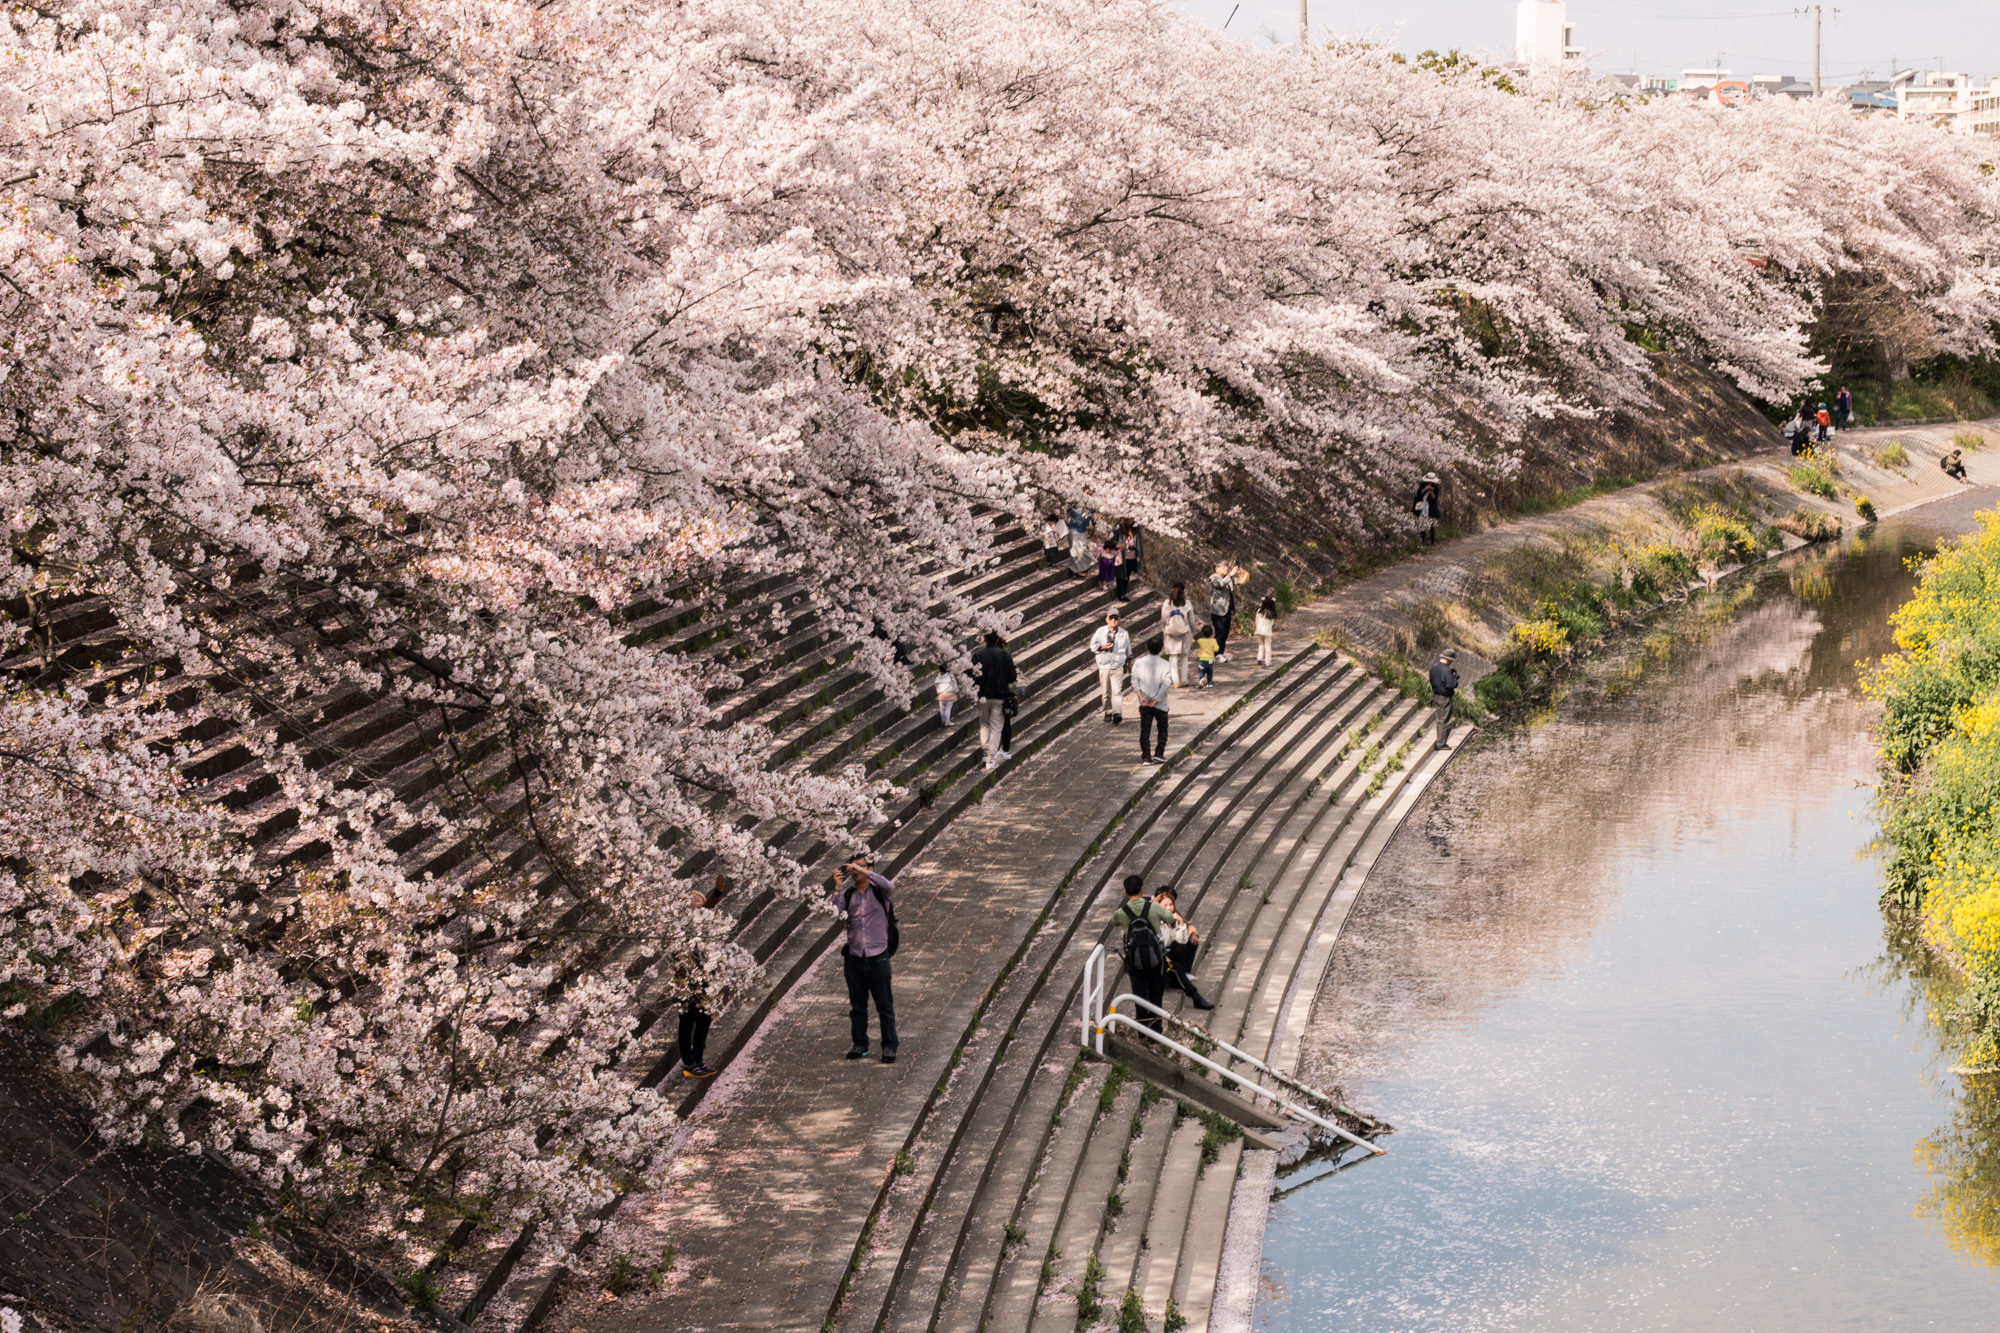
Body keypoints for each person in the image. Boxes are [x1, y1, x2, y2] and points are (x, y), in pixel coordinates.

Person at [833, 852, 898, 1063]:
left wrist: (866, 871)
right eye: (854, 867)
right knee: (858, 1006)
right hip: (854, 958)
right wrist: (837, 887)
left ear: (870, 869)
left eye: (861, 867)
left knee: (884, 1006)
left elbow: (889, 885)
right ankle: (860, 1044)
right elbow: (835, 911)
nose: (856, 871)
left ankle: (889, 1046)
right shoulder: (849, 895)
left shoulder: (879, 892)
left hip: (878, 957)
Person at [677, 875, 730, 1078]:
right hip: (684, 983)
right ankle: (688, 1062)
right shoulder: (682, 927)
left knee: (704, 1021)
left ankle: (698, 1059)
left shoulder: (706, 928)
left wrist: (717, 893)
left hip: (705, 981)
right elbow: (706, 908)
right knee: (687, 1022)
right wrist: (716, 893)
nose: (698, 903)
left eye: (700, 899)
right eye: (694, 900)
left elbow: (707, 910)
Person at [1114, 874, 1172, 1032]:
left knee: (1139, 997)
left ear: (1125, 892)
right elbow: (1169, 918)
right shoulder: (1153, 907)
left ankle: (1142, 1032)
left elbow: (1114, 922)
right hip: (1156, 959)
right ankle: (1156, 1032)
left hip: (1134, 961)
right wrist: (1154, 904)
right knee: (1156, 996)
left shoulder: (1122, 912)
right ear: (1142, 889)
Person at [1153, 887, 1215, 1011]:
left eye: (1171, 904)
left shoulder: (1172, 919)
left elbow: (1182, 941)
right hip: (1156, 959)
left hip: (1166, 953)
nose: (1169, 908)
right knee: (1177, 968)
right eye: (1165, 905)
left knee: (1188, 944)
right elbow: (1156, 946)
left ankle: (1182, 978)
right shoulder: (1154, 922)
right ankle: (1195, 997)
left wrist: (1181, 923)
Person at [970, 630, 1016, 768]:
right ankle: (991, 757)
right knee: (996, 727)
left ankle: (985, 751)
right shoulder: (1005, 655)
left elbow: (970, 674)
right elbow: (1012, 677)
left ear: (985, 639)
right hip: (1000, 695)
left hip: (983, 695)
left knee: (984, 724)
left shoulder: (978, 655)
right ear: (997, 640)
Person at [1131, 633, 1173, 764]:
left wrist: (1141, 697)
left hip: (1144, 702)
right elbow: (1167, 682)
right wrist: (1157, 698)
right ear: (1161, 648)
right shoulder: (1165, 664)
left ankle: (1146, 756)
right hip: (1161, 703)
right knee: (1162, 728)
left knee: (1145, 730)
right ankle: (1159, 753)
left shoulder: (1138, 663)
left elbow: (1134, 681)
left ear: (1147, 648)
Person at [1090, 609, 1132, 723]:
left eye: (1116, 618)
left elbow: (1129, 651)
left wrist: (1129, 664)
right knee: (1106, 692)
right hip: (1104, 665)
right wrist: (1104, 647)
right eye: (1111, 618)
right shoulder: (1100, 632)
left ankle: (1117, 713)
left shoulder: (1124, 634)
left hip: (1118, 665)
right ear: (1107, 619)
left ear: (1119, 619)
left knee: (1117, 691)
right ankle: (1108, 711)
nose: (1113, 620)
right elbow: (1093, 647)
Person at [1207, 562, 1248, 662]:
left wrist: (1241, 572)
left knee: (1225, 633)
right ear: (1216, 569)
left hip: (1227, 610)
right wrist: (1230, 574)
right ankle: (1216, 654)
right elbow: (1220, 584)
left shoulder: (1228, 578)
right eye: (1223, 567)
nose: (1226, 568)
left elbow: (1240, 581)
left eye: (1226, 567)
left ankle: (1221, 652)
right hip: (1218, 611)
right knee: (1219, 633)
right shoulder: (1213, 578)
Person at [1160, 583, 1196, 685]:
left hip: (1170, 633)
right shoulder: (1187, 603)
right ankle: (1184, 680)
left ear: (1172, 589)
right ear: (1183, 591)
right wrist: (1193, 632)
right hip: (1185, 633)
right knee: (1184, 657)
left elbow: (1163, 619)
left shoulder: (1167, 603)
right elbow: (1192, 620)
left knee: (1173, 658)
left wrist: (1164, 629)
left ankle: (1175, 681)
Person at [1428, 648, 1459, 751]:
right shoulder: (1446, 670)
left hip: (1436, 695)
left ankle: (1439, 741)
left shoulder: (1434, 668)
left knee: (1439, 719)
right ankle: (1441, 743)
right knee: (1446, 721)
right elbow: (1452, 684)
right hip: (1445, 697)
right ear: (1449, 659)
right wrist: (1455, 678)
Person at [1412, 473, 1442, 547]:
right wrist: (1425, 489)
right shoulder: (1422, 485)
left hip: (1431, 507)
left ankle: (1432, 541)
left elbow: (1435, 499)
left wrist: (1431, 491)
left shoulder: (1436, 487)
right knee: (1421, 522)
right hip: (1422, 505)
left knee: (1431, 523)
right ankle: (1423, 540)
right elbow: (1419, 494)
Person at [1066, 505, 1094, 575]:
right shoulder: (1073, 505)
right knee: (1074, 549)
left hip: (1082, 530)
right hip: (1073, 529)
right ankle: (1076, 569)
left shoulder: (1089, 506)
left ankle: (1082, 567)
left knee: (1081, 549)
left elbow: (1091, 518)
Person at [934, 664, 961, 729]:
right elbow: (954, 686)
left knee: (942, 709)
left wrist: (939, 692)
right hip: (949, 695)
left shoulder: (937, 678)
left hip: (941, 695)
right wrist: (957, 693)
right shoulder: (950, 676)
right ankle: (947, 721)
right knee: (948, 709)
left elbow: (937, 687)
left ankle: (943, 721)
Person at [1253, 595, 1277, 667]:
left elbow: (1256, 620)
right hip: (1267, 632)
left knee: (1261, 645)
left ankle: (1259, 657)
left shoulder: (1259, 611)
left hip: (1259, 631)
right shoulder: (1272, 614)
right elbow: (1272, 624)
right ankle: (1268, 661)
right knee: (1268, 646)